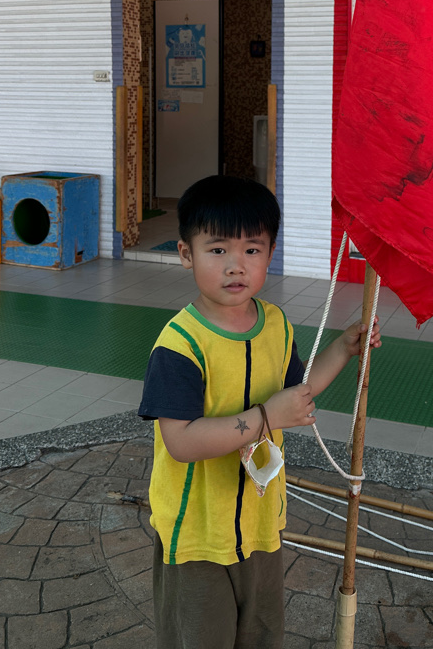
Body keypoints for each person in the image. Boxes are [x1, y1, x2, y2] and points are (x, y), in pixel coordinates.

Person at [138, 174, 382, 649]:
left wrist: (343, 348)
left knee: (262, 636)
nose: (236, 265)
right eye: (217, 250)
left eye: (252, 249)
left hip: (261, 525)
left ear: (270, 254)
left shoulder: (276, 324)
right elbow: (181, 442)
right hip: (198, 537)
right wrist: (267, 417)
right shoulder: (179, 345)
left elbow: (297, 392)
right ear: (186, 254)